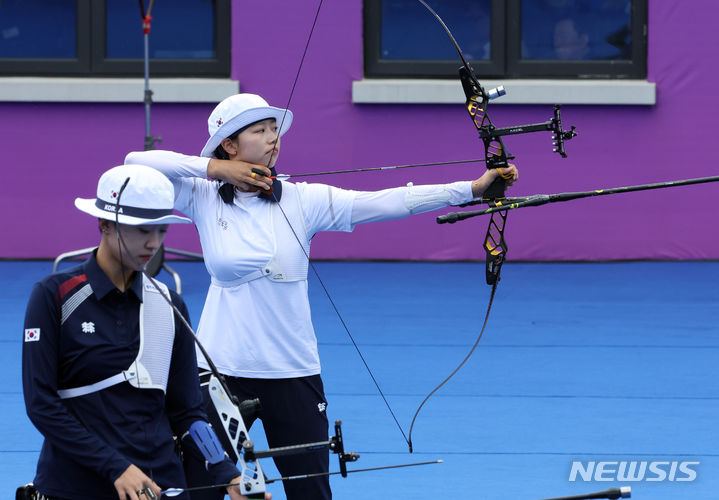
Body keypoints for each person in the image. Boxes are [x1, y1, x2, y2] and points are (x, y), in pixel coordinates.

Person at [125, 93, 519, 500]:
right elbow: (134, 164)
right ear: (229, 144)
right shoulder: (201, 195)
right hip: (220, 370)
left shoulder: (303, 200)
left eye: (274, 128)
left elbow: (386, 201)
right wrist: (215, 169)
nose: (273, 138)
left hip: (292, 371)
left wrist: (471, 189)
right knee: (200, 489)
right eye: (259, 131)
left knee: (311, 492)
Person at [21, 164, 265, 500]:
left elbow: (187, 412)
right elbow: (41, 404)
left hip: (161, 484)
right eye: (141, 230)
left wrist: (225, 473)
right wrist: (114, 467)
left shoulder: (170, 304)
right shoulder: (54, 295)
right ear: (104, 224)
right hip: (75, 485)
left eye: (161, 230)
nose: (153, 243)